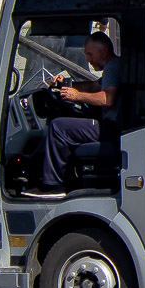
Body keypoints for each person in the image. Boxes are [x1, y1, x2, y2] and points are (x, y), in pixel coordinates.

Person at [23, 31, 122, 200]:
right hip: (113, 125)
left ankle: (53, 186)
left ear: (104, 51)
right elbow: (94, 86)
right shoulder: (114, 66)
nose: (88, 59)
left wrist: (77, 96)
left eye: (90, 54)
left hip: (112, 128)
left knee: (58, 126)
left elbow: (107, 98)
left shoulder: (113, 67)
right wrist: (68, 84)